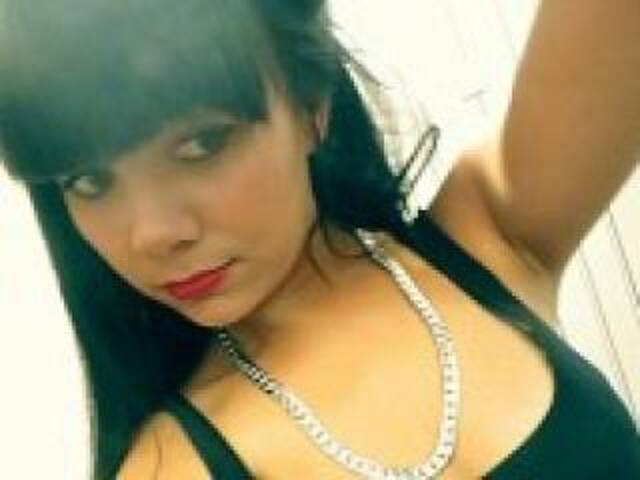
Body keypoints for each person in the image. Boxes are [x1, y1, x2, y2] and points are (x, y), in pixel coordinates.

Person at [1, 0, 639, 478]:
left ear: (312, 104)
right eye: (89, 182)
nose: (152, 233)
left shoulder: (493, 231)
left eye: (201, 144)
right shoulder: (171, 468)